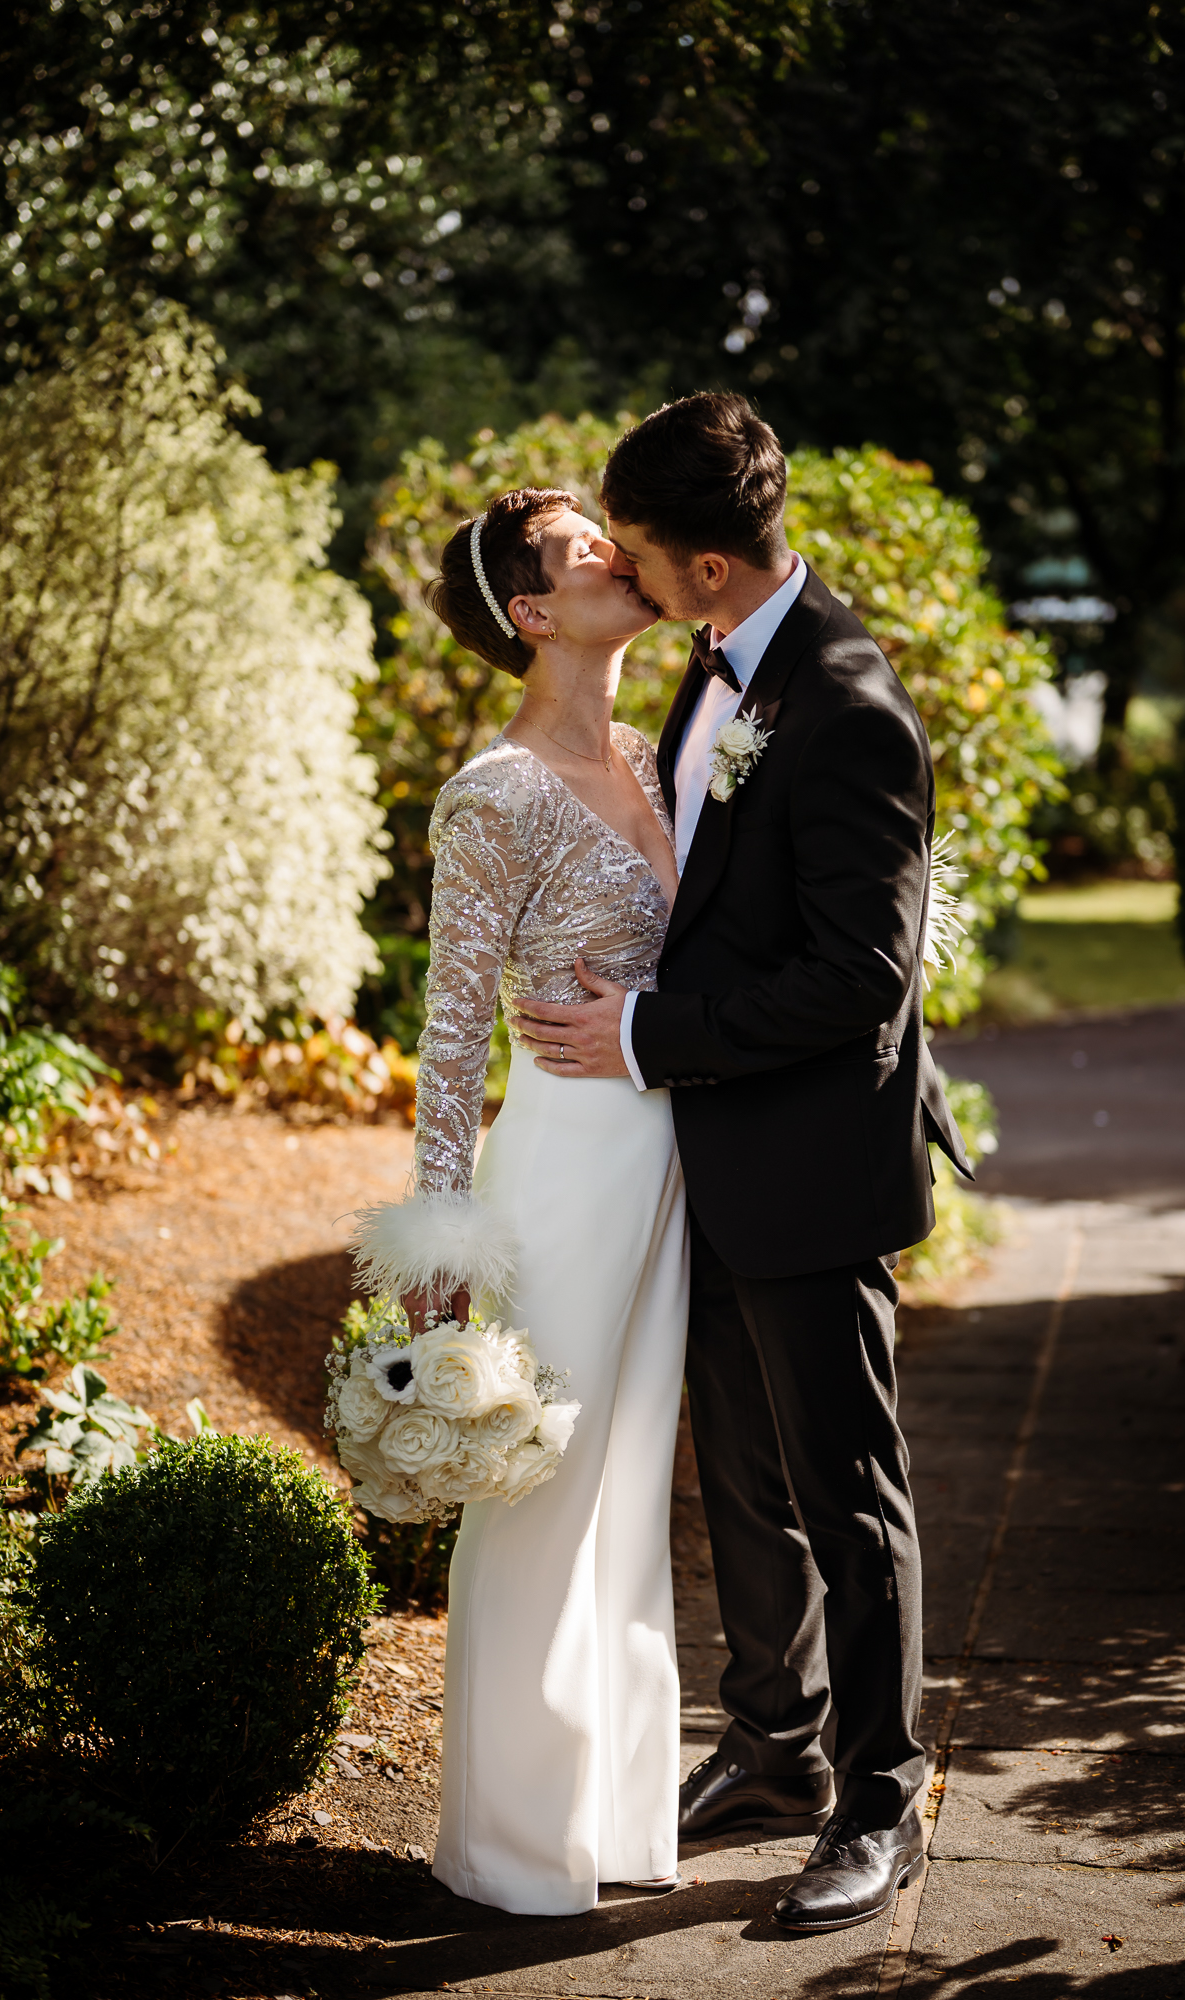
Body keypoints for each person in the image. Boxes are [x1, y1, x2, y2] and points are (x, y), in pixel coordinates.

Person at [513, 393, 971, 1934]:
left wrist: (649, 1034)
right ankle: (771, 1746)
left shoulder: (845, 708)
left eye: (641, 556)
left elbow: (861, 975)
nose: (627, 579)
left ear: (708, 569)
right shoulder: (718, 670)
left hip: (812, 1164)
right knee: (747, 1481)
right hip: (705, 1163)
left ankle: (881, 1801)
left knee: (850, 1492)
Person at [352, 487, 688, 1916]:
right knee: (536, 1486)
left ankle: (612, 1819)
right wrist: (440, 1249)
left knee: (630, 1498)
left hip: (673, 1161)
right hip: (561, 1161)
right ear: (534, 614)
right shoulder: (492, 794)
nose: (618, 549)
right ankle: (506, 1844)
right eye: (579, 547)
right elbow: (445, 1038)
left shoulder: (656, 756)